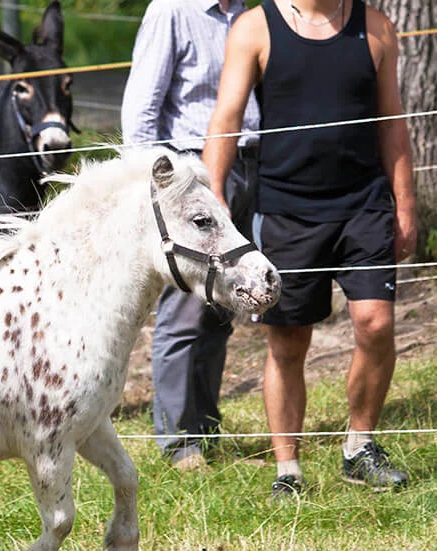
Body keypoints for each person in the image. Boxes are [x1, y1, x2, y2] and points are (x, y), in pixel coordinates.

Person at [204, 0, 417, 496]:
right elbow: (226, 118)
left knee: (376, 322)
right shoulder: (254, 28)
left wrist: (404, 206)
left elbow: (393, 123)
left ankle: (359, 447)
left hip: (364, 205)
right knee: (289, 340)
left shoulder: (377, 28)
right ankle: (288, 469)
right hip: (286, 210)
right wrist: (214, 195)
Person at [121, 0, 260, 471]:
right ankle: (179, 440)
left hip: (248, 168)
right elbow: (140, 110)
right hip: (193, 174)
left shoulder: (248, 14)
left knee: (221, 308)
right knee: (183, 311)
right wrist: (160, 188)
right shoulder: (172, 11)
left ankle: (205, 429)